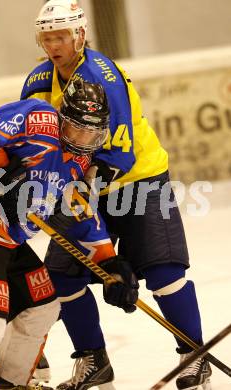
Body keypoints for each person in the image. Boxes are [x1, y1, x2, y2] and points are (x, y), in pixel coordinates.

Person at [21, 1, 211, 390]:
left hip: (137, 179)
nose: (53, 45)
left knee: (163, 271)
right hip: (81, 184)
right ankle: (94, 360)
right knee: (60, 276)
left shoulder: (103, 76)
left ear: (80, 34)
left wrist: (85, 210)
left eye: (61, 36)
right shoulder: (39, 78)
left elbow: (119, 154)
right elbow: (34, 137)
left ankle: (193, 356)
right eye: (47, 37)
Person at [0, 84, 135, 390]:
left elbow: (80, 216)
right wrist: (2, 175)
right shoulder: (38, 118)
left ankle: (8, 385)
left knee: (43, 307)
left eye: (91, 135)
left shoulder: (78, 163)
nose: (80, 141)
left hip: (5, 240)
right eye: (75, 130)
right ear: (63, 118)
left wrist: (110, 264)